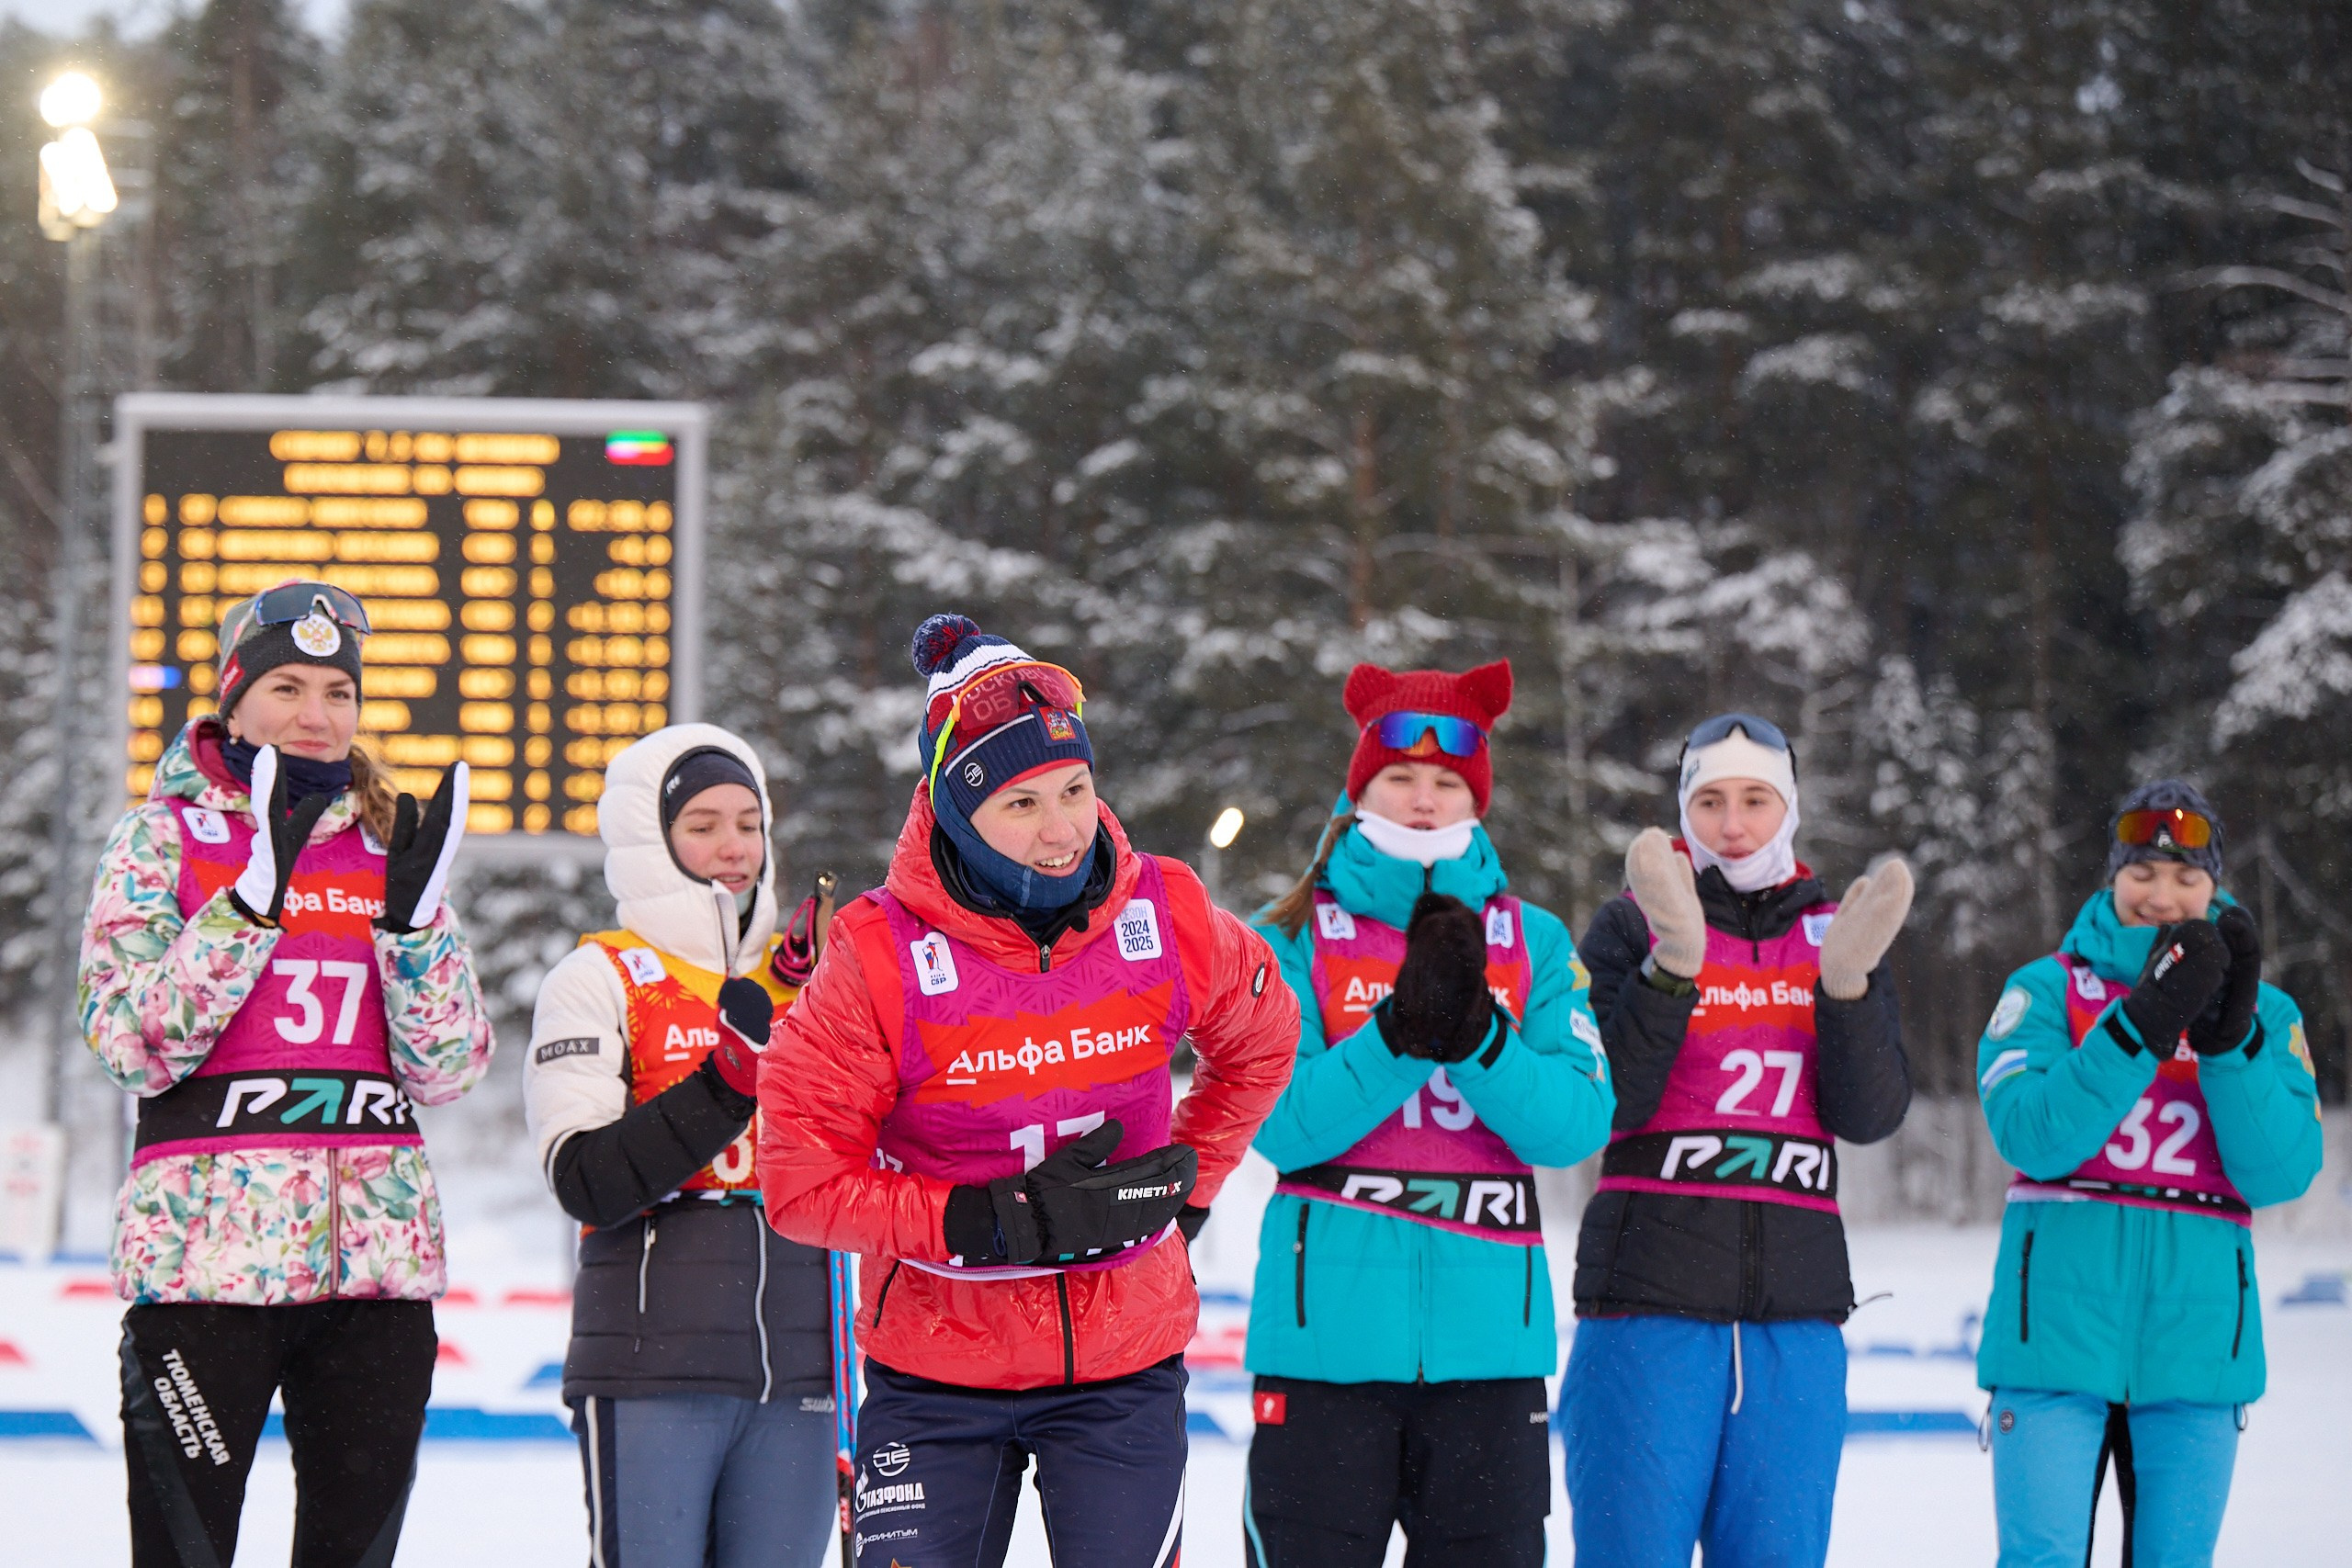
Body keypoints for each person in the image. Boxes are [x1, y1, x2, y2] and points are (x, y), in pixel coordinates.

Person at [755, 613, 1298, 1568]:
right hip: (932, 1372)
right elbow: (800, 1182)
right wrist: (978, 1223)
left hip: (1120, 1365)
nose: (1060, 830)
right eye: (1021, 804)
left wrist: (1189, 1193)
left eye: (1075, 790)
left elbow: (1262, 1040)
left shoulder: (1166, 913)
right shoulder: (877, 954)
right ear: (958, 813)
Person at [78, 581, 492, 1567]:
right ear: (235, 697)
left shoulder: (389, 843)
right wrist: (246, 906)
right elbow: (128, 1041)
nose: (316, 716)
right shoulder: (161, 840)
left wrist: (414, 929)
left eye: (338, 694)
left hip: (375, 1273)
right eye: (288, 688)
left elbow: (447, 1069)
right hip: (204, 1268)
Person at [1238, 660, 1615, 1567]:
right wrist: (1398, 1035)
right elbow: (1280, 1125)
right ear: (1359, 785)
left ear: (1474, 796)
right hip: (1323, 1357)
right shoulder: (1283, 933)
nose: (1421, 799)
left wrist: (1480, 1041)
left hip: (1489, 1362)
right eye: (1399, 777)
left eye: (1446, 781)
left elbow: (1574, 1127)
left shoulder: (1533, 941)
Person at [1563, 712, 1915, 1568]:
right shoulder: (1629, 925)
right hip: (1646, 1305)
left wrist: (1847, 993)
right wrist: (1672, 965)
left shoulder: (1839, 928)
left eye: (1756, 799)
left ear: (1788, 807)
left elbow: (1869, 1115)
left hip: (1793, 1316)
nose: (1732, 823)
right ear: (1684, 809)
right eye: (1711, 800)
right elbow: (1605, 1102)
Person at [1973, 780, 2323, 1568]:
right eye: (2142, 872)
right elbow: (2029, 1132)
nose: (2162, 894)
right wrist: (2138, 1026)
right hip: (2051, 1340)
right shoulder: (2045, 988)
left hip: (2198, 1349)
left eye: (2186, 876)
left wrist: (2229, 1041)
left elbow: (2281, 1170)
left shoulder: (2268, 1012)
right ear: (2111, 876)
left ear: (2215, 885)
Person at [524, 723, 838, 1568]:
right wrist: (723, 1087)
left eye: (748, 822)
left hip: (802, 1379)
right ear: (651, 839)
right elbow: (584, 1177)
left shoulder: (811, 978)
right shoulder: (601, 975)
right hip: (651, 1369)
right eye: (702, 824)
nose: (731, 845)